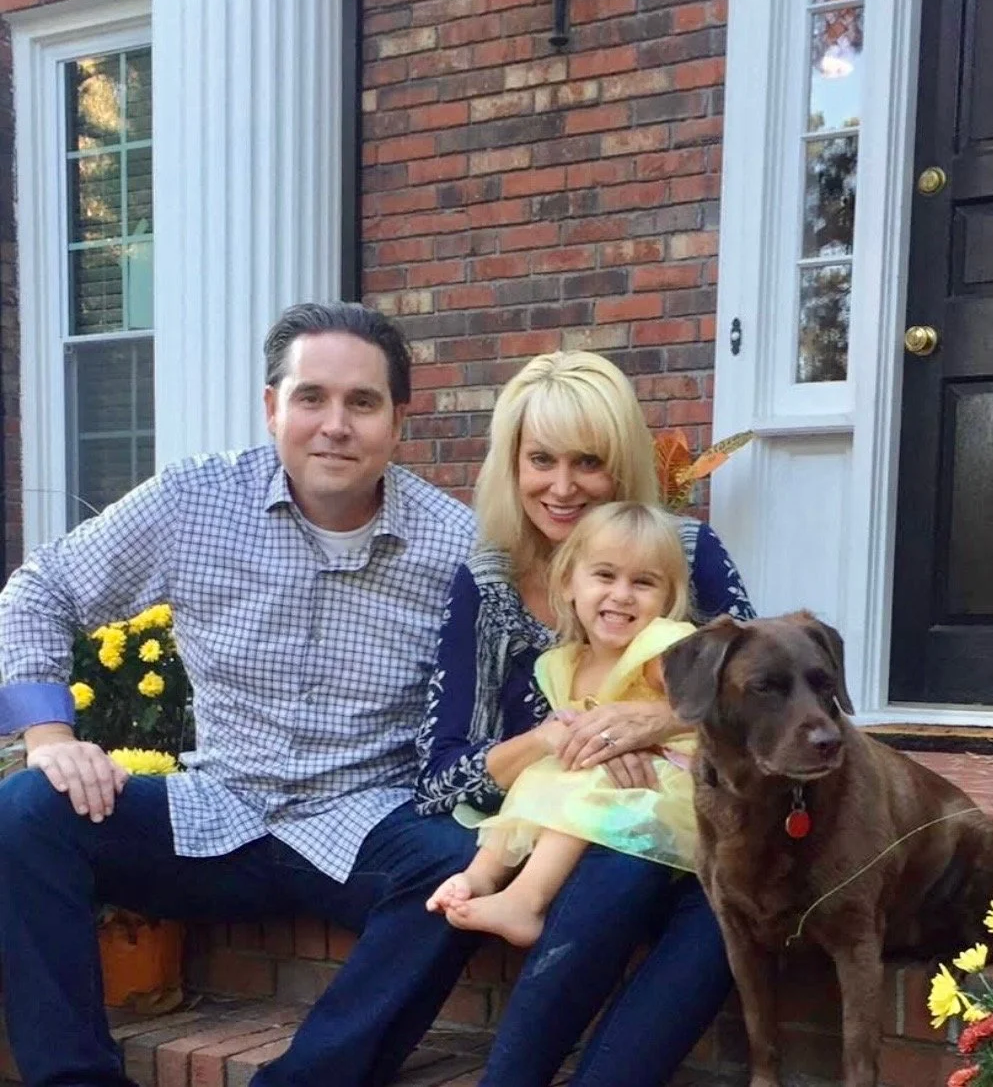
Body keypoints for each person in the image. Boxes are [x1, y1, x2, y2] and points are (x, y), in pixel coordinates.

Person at [0, 303, 480, 1087]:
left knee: (456, 870)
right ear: (272, 407)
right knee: (26, 812)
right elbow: (40, 588)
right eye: (311, 397)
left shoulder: (454, 544)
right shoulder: (195, 502)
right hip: (215, 812)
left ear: (399, 421)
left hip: (358, 824)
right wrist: (52, 738)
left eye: (362, 403)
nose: (334, 425)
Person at [415, 349, 756, 1087]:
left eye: (588, 462)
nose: (562, 487)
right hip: (555, 841)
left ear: (622, 464)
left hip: (697, 806)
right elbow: (441, 776)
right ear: (511, 463)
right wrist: (556, 745)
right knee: (622, 867)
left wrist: (655, 724)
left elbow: (768, 695)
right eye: (540, 459)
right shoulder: (489, 581)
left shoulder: (686, 551)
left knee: (729, 904)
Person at [426, 501, 699, 947]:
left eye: (644, 582)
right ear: (569, 582)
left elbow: (706, 710)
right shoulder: (564, 662)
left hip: (664, 783)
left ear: (667, 600)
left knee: (579, 778)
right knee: (541, 772)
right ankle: (479, 877)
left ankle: (525, 902)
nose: (622, 594)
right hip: (609, 780)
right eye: (605, 576)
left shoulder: (660, 650)